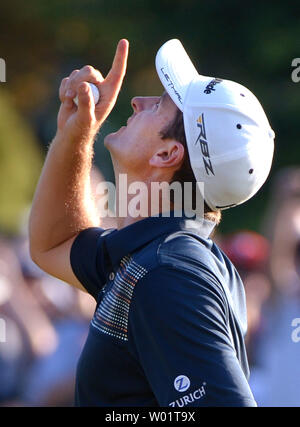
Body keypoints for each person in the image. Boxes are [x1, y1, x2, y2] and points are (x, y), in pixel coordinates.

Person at [29, 38, 275, 407]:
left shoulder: (169, 273)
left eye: (159, 103)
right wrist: (75, 134)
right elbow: (54, 243)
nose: (137, 101)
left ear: (167, 153)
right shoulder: (154, 255)